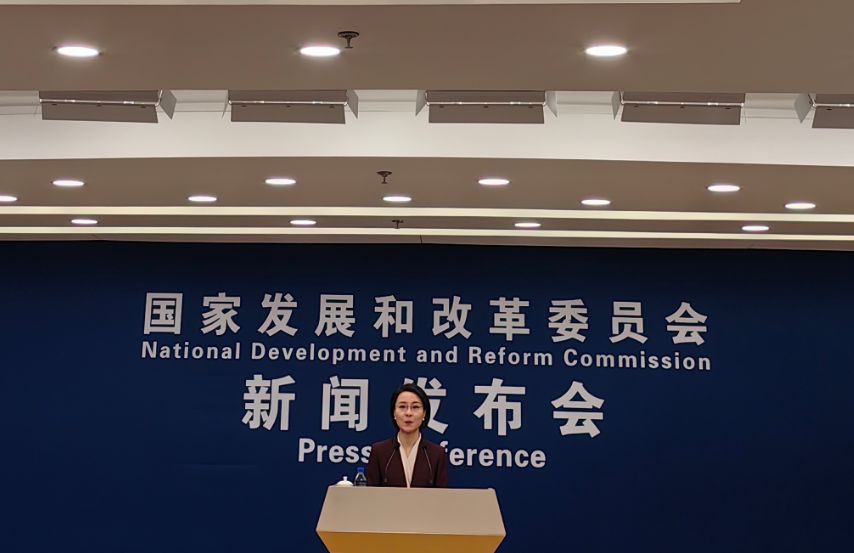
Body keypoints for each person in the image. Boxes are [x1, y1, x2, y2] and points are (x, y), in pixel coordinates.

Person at [365, 383, 449, 487]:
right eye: (402, 407)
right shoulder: (379, 452)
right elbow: (371, 494)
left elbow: (442, 495)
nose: (408, 413)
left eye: (415, 407)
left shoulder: (436, 454)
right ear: (394, 413)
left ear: (424, 414)